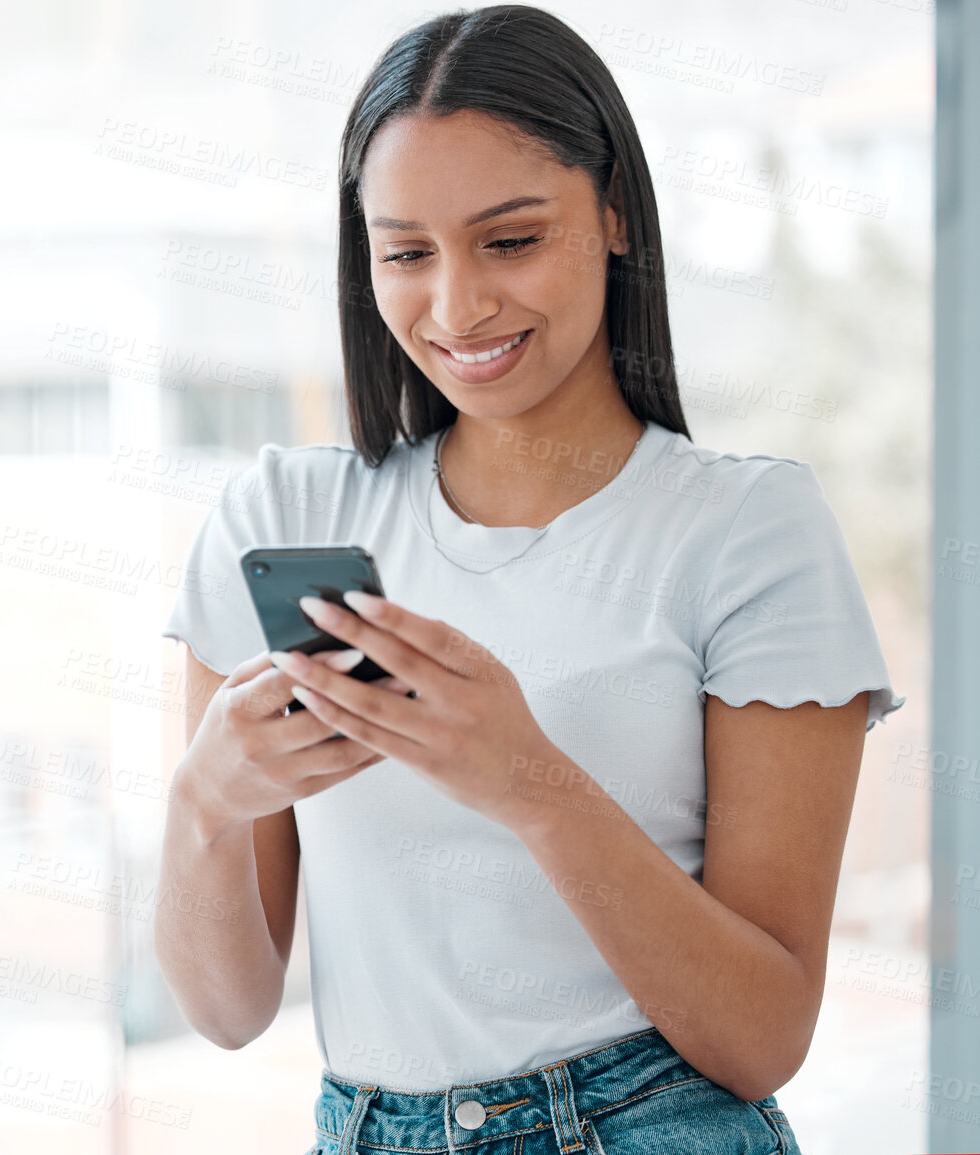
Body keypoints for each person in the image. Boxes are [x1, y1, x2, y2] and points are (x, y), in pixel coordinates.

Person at [154, 6, 903, 1153]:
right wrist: (206, 801)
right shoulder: (284, 517)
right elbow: (227, 1011)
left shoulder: (747, 531)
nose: (457, 309)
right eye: (407, 252)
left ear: (611, 212)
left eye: (508, 241)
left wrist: (525, 780)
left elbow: (761, 1039)